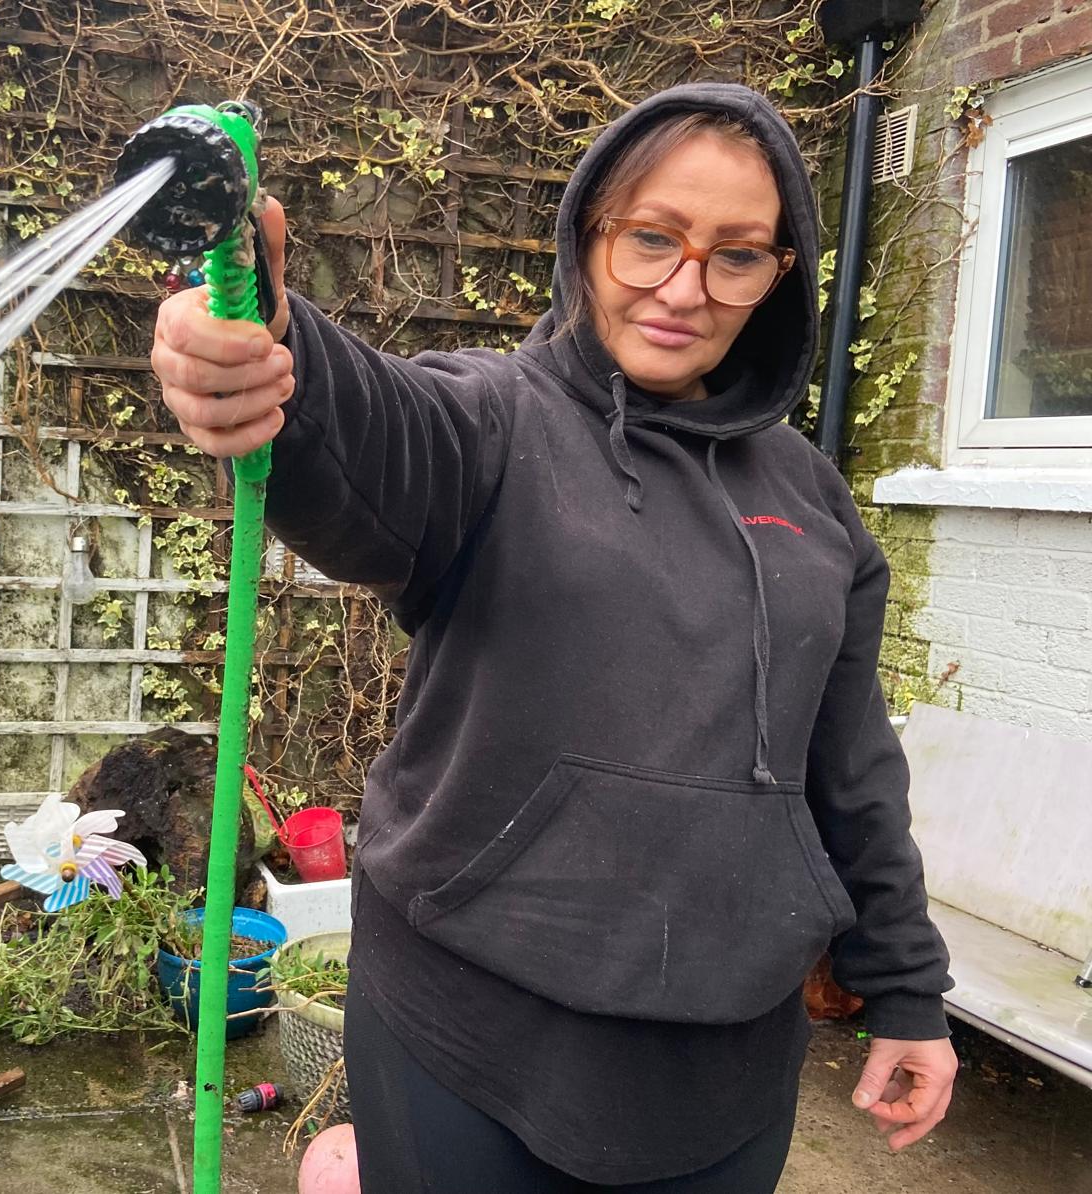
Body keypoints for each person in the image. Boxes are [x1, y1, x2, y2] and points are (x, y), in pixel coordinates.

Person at [150, 83, 958, 1192]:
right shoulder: (491, 423)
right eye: (650, 240)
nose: (684, 289)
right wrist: (271, 343)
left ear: (780, 275)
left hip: (723, 1056)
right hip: (467, 1030)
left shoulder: (812, 501)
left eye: (735, 256)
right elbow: (375, 431)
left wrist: (907, 991)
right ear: (587, 236)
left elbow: (852, 765)